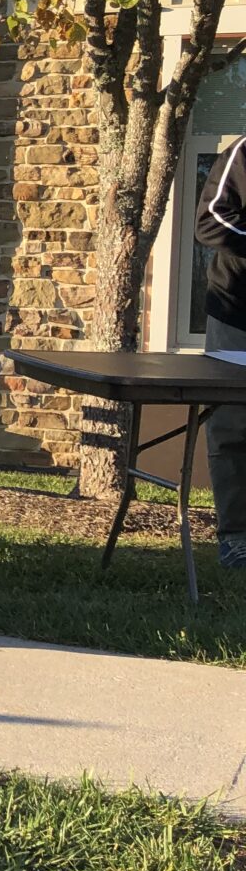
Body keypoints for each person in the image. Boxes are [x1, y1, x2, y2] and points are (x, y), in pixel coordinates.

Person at [195, 136, 246, 569]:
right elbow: (210, 222)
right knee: (232, 428)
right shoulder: (243, 153)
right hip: (237, 314)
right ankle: (235, 537)